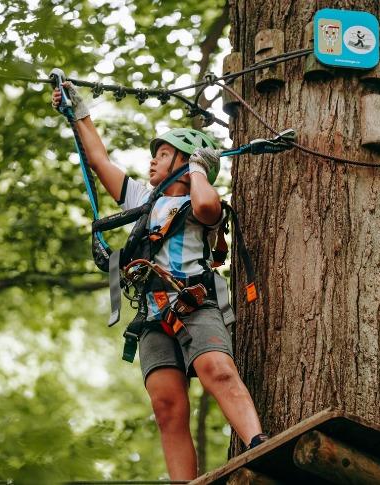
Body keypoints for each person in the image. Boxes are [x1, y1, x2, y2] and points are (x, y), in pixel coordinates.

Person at [52, 83, 267, 480]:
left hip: (194, 304)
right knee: (167, 406)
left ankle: (258, 445)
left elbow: (205, 206)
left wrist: (199, 170)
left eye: (164, 155)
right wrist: (77, 111)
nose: (153, 162)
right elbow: (99, 161)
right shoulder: (141, 199)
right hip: (152, 316)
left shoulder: (200, 200)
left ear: (186, 163)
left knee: (216, 368)